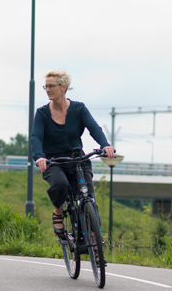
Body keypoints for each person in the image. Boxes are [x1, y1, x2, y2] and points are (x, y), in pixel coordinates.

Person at [31, 68, 115, 236]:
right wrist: (40, 156)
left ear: (64, 87)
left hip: (77, 159)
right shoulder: (42, 113)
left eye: (51, 86)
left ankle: (96, 247)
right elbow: (36, 137)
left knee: (88, 197)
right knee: (60, 184)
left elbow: (93, 128)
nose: (47, 90)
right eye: (45, 86)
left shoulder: (78, 109)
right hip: (53, 161)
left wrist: (105, 144)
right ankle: (57, 210)